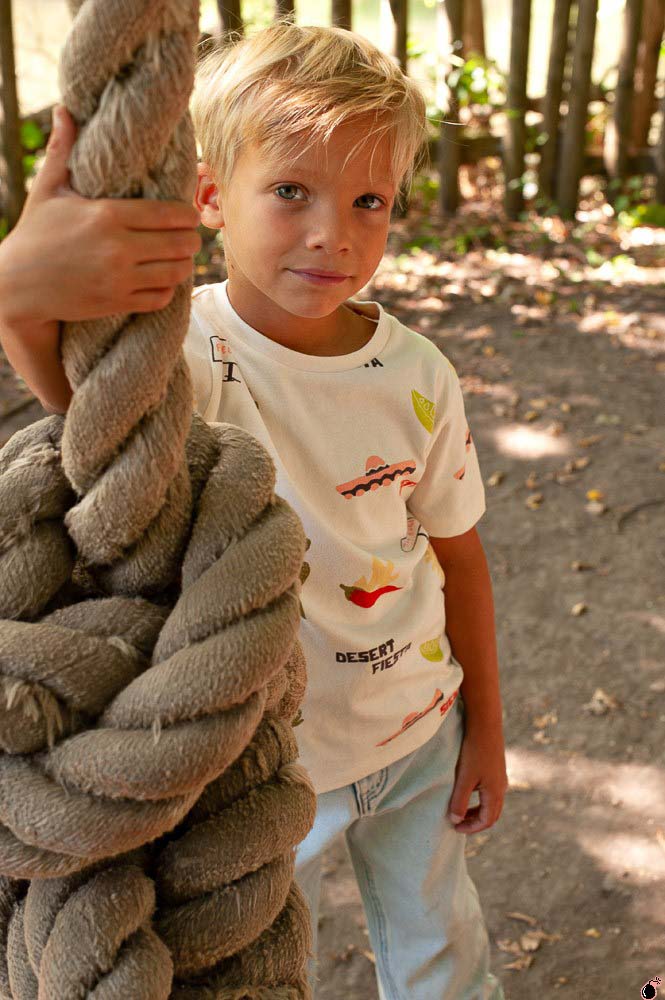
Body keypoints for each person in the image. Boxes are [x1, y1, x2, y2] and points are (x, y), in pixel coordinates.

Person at [0, 19, 508, 999]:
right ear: (207, 199)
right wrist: (19, 289)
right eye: (290, 192)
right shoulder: (181, 357)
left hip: (417, 731)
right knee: (271, 961)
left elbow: (460, 556)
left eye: (370, 201)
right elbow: (82, 401)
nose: (334, 233)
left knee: (441, 950)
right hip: (273, 765)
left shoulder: (416, 376)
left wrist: (484, 724)